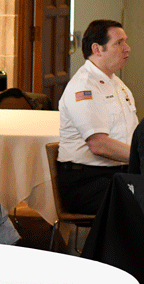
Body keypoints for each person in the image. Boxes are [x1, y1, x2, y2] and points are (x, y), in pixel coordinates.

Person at [57, 19, 136, 214]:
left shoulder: (117, 84)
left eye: (125, 41)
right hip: (87, 182)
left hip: (117, 174)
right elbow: (98, 144)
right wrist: (140, 157)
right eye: (119, 43)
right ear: (97, 49)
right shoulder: (84, 86)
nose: (127, 48)